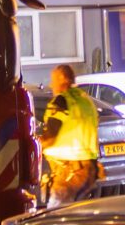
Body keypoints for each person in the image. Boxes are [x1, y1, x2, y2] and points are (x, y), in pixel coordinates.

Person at [39, 64, 100, 206]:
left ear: (63, 79)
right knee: (76, 212)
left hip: (70, 171)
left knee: (56, 211)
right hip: (89, 170)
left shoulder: (62, 101)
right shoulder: (86, 101)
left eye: (53, 80)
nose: (51, 84)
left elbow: (51, 138)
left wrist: (34, 145)